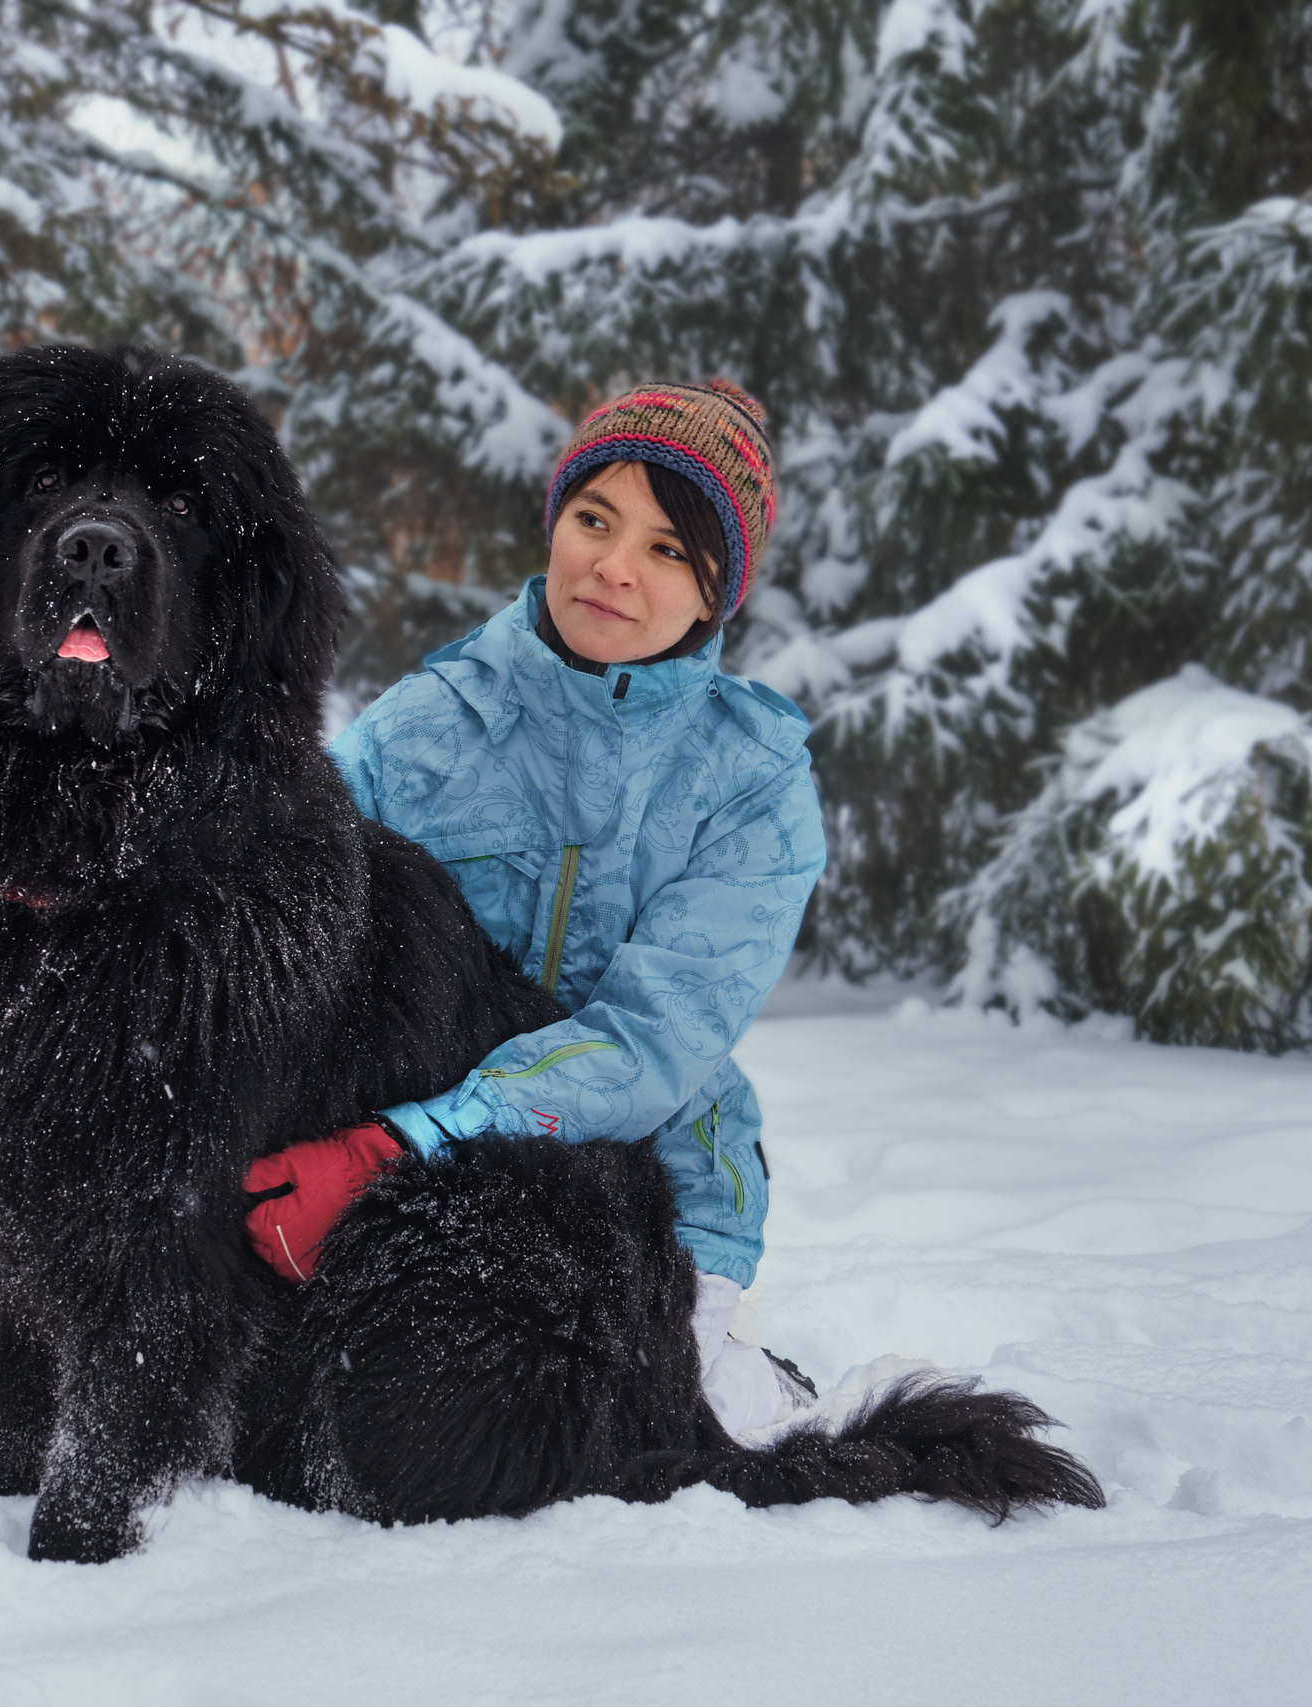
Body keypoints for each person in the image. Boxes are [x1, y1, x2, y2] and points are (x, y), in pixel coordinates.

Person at [242, 379, 830, 1442]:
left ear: (717, 594)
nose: (613, 567)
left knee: (665, 1437)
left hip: (649, 1188)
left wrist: (410, 1144)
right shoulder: (422, 727)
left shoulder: (749, 782)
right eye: (594, 519)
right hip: (405, 1167)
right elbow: (271, 912)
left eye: (667, 549)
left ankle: (756, 1382)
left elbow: (651, 1039)